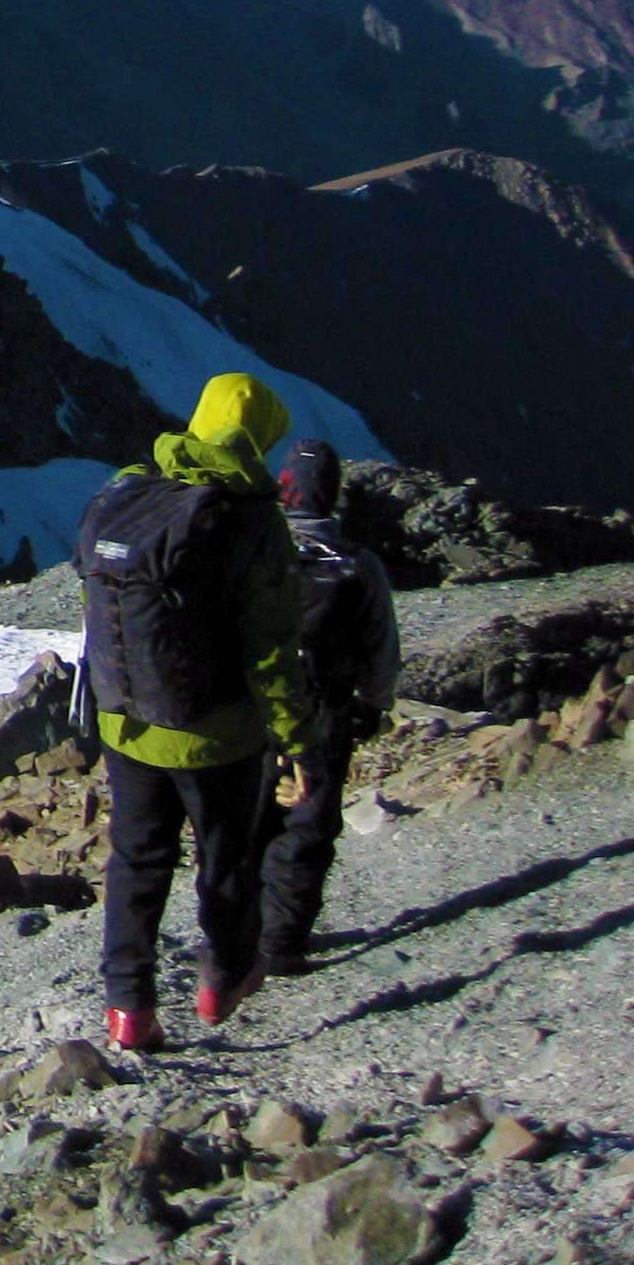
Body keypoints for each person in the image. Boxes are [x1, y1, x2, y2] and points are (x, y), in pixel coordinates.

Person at [73, 371, 318, 1052]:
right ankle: (223, 980)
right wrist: (298, 741)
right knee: (226, 857)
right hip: (217, 733)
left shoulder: (132, 487)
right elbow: (272, 651)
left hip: (128, 719)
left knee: (137, 858)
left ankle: (128, 1008)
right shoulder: (251, 519)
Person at [255, 438, 404, 974]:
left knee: (252, 817)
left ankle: (240, 931)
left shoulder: (254, 552)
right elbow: (381, 643)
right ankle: (282, 939)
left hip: (254, 710)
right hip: (325, 709)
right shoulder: (357, 565)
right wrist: (374, 703)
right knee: (310, 821)